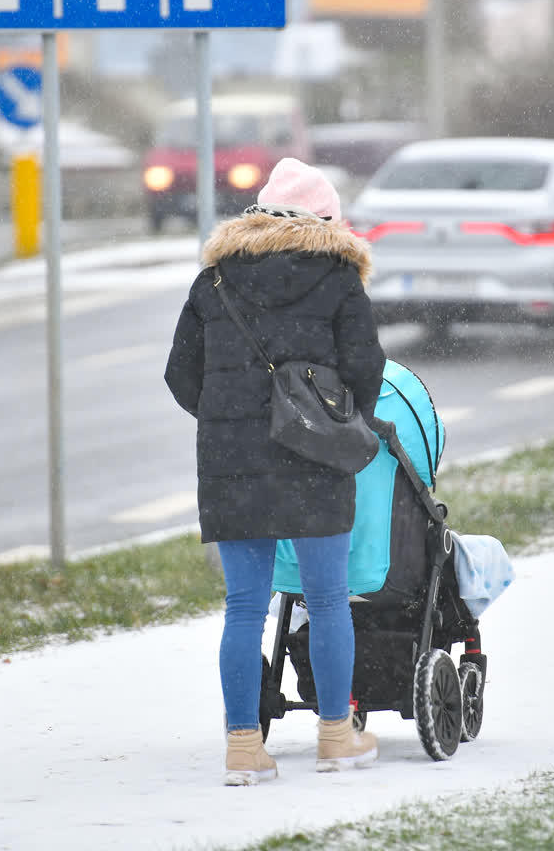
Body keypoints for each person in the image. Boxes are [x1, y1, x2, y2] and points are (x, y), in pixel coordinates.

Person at [164, 157, 387, 786]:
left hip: (231, 463)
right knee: (326, 598)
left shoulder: (213, 284)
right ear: (325, 219)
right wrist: (340, 421)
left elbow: (181, 376)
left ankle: (242, 746)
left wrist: (229, 420)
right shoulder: (339, 279)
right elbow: (367, 369)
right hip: (317, 458)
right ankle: (335, 737)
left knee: (244, 607)